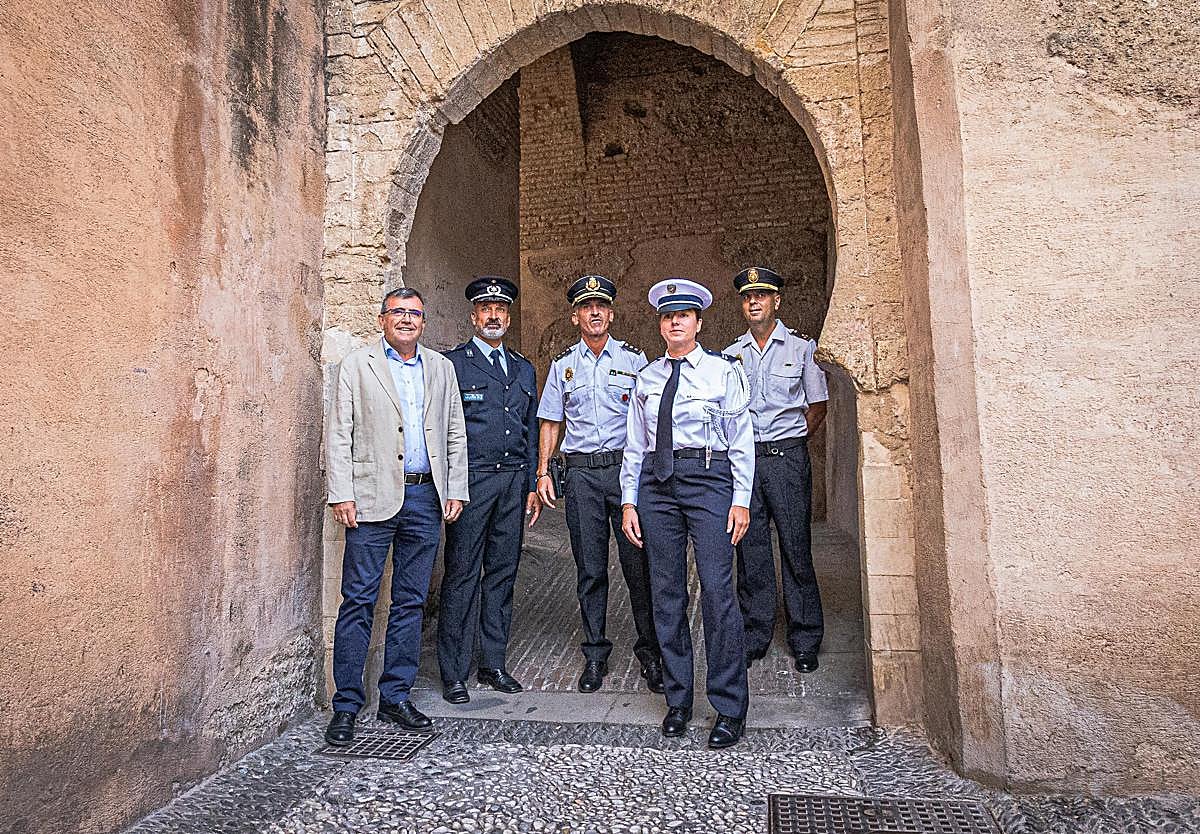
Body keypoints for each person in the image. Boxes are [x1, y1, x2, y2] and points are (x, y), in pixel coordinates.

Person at [323, 287, 469, 746]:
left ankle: (395, 696)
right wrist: (341, 493)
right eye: (398, 313)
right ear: (382, 319)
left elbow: (454, 432)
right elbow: (338, 432)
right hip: (369, 499)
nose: (407, 320)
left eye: (415, 314)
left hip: (426, 499)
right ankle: (346, 703)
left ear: (423, 322)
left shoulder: (441, 368)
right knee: (359, 599)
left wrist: (456, 490)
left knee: (410, 601)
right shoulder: (357, 365)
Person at [619, 278, 755, 749]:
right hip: (657, 487)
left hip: (709, 480)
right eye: (667, 316)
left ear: (698, 322)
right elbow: (635, 446)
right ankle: (679, 700)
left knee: (718, 591)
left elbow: (741, 440)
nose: (674, 322)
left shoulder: (722, 372)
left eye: (683, 315)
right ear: (660, 324)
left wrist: (741, 499)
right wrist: (629, 501)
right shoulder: (647, 378)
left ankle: (729, 705)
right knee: (666, 592)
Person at [535, 275, 664, 695]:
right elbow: (551, 421)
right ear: (575, 316)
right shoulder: (562, 366)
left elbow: (650, 420)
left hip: (625, 474)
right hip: (583, 477)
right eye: (586, 306)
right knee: (590, 569)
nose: (594, 312)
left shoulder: (634, 360)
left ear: (611, 313)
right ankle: (595, 654)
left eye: (601, 306)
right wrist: (542, 471)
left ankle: (651, 652)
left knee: (637, 567)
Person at [438, 276, 541, 704]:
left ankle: (493, 662)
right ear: (473, 316)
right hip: (472, 481)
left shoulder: (523, 368)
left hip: (514, 482)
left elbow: (531, 429)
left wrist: (535, 481)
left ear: (508, 316)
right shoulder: (453, 365)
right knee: (462, 574)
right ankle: (454, 671)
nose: (493, 315)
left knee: (502, 572)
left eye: (500, 309)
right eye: (485, 309)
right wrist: (449, 485)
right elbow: (442, 427)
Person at [724, 267, 829, 673]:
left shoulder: (802, 349)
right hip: (747, 460)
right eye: (748, 296)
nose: (754, 302)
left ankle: (804, 638)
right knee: (750, 550)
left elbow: (817, 405)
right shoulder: (732, 354)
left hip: (787, 458)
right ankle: (756, 633)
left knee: (795, 547)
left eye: (762, 296)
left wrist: (795, 440)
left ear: (775, 302)